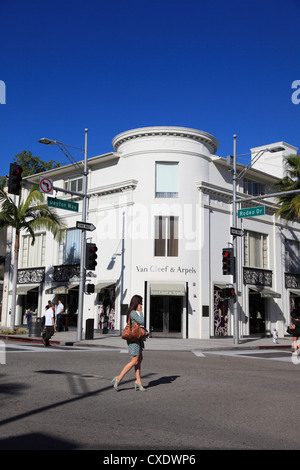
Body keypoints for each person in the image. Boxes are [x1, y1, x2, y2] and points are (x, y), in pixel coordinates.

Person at [112, 295, 147, 392]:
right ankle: (118, 378)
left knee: (139, 359)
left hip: (136, 339)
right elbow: (142, 321)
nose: (142, 304)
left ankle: (138, 381)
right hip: (133, 339)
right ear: (137, 303)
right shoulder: (133, 313)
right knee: (134, 361)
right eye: (140, 302)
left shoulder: (132, 312)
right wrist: (141, 312)